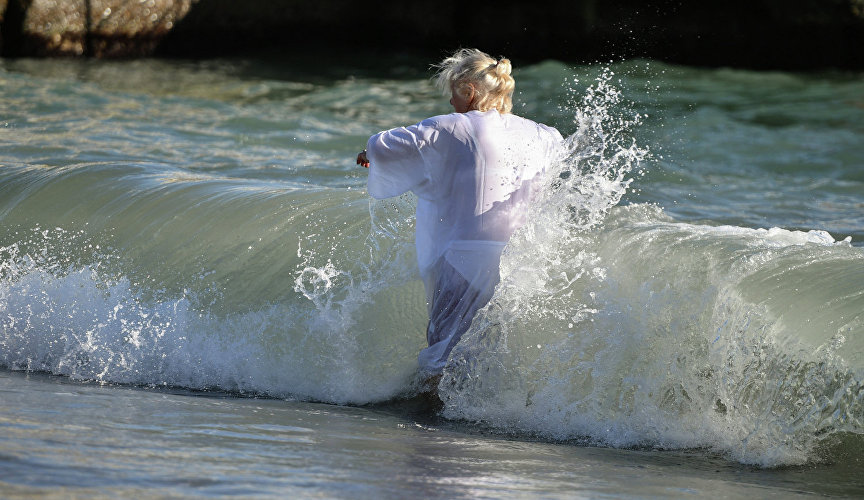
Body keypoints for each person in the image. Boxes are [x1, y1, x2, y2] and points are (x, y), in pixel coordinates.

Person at [356, 48, 563, 378]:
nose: (451, 104)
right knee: (489, 350)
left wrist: (368, 153)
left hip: (464, 258)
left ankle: (430, 425)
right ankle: (479, 422)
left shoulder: (453, 126)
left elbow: (383, 144)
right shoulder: (543, 135)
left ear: (468, 91)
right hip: (519, 260)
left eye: (453, 95)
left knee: (443, 352)